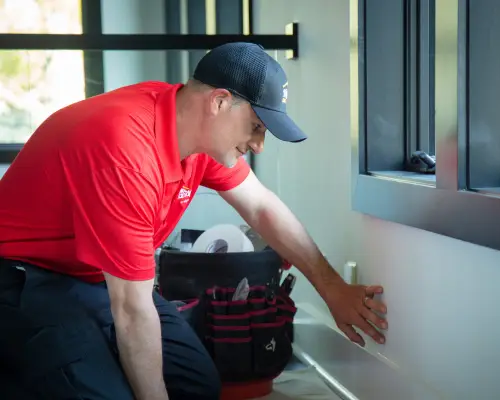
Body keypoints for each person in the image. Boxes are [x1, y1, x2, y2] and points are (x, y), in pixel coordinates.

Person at [0, 42, 388, 399]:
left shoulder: (192, 131)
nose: (258, 145)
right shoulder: (126, 149)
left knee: (196, 385)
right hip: (23, 278)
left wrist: (332, 288)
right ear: (219, 102)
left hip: (91, 277)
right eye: (256, 127)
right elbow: (133, 311)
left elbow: (262, 208)